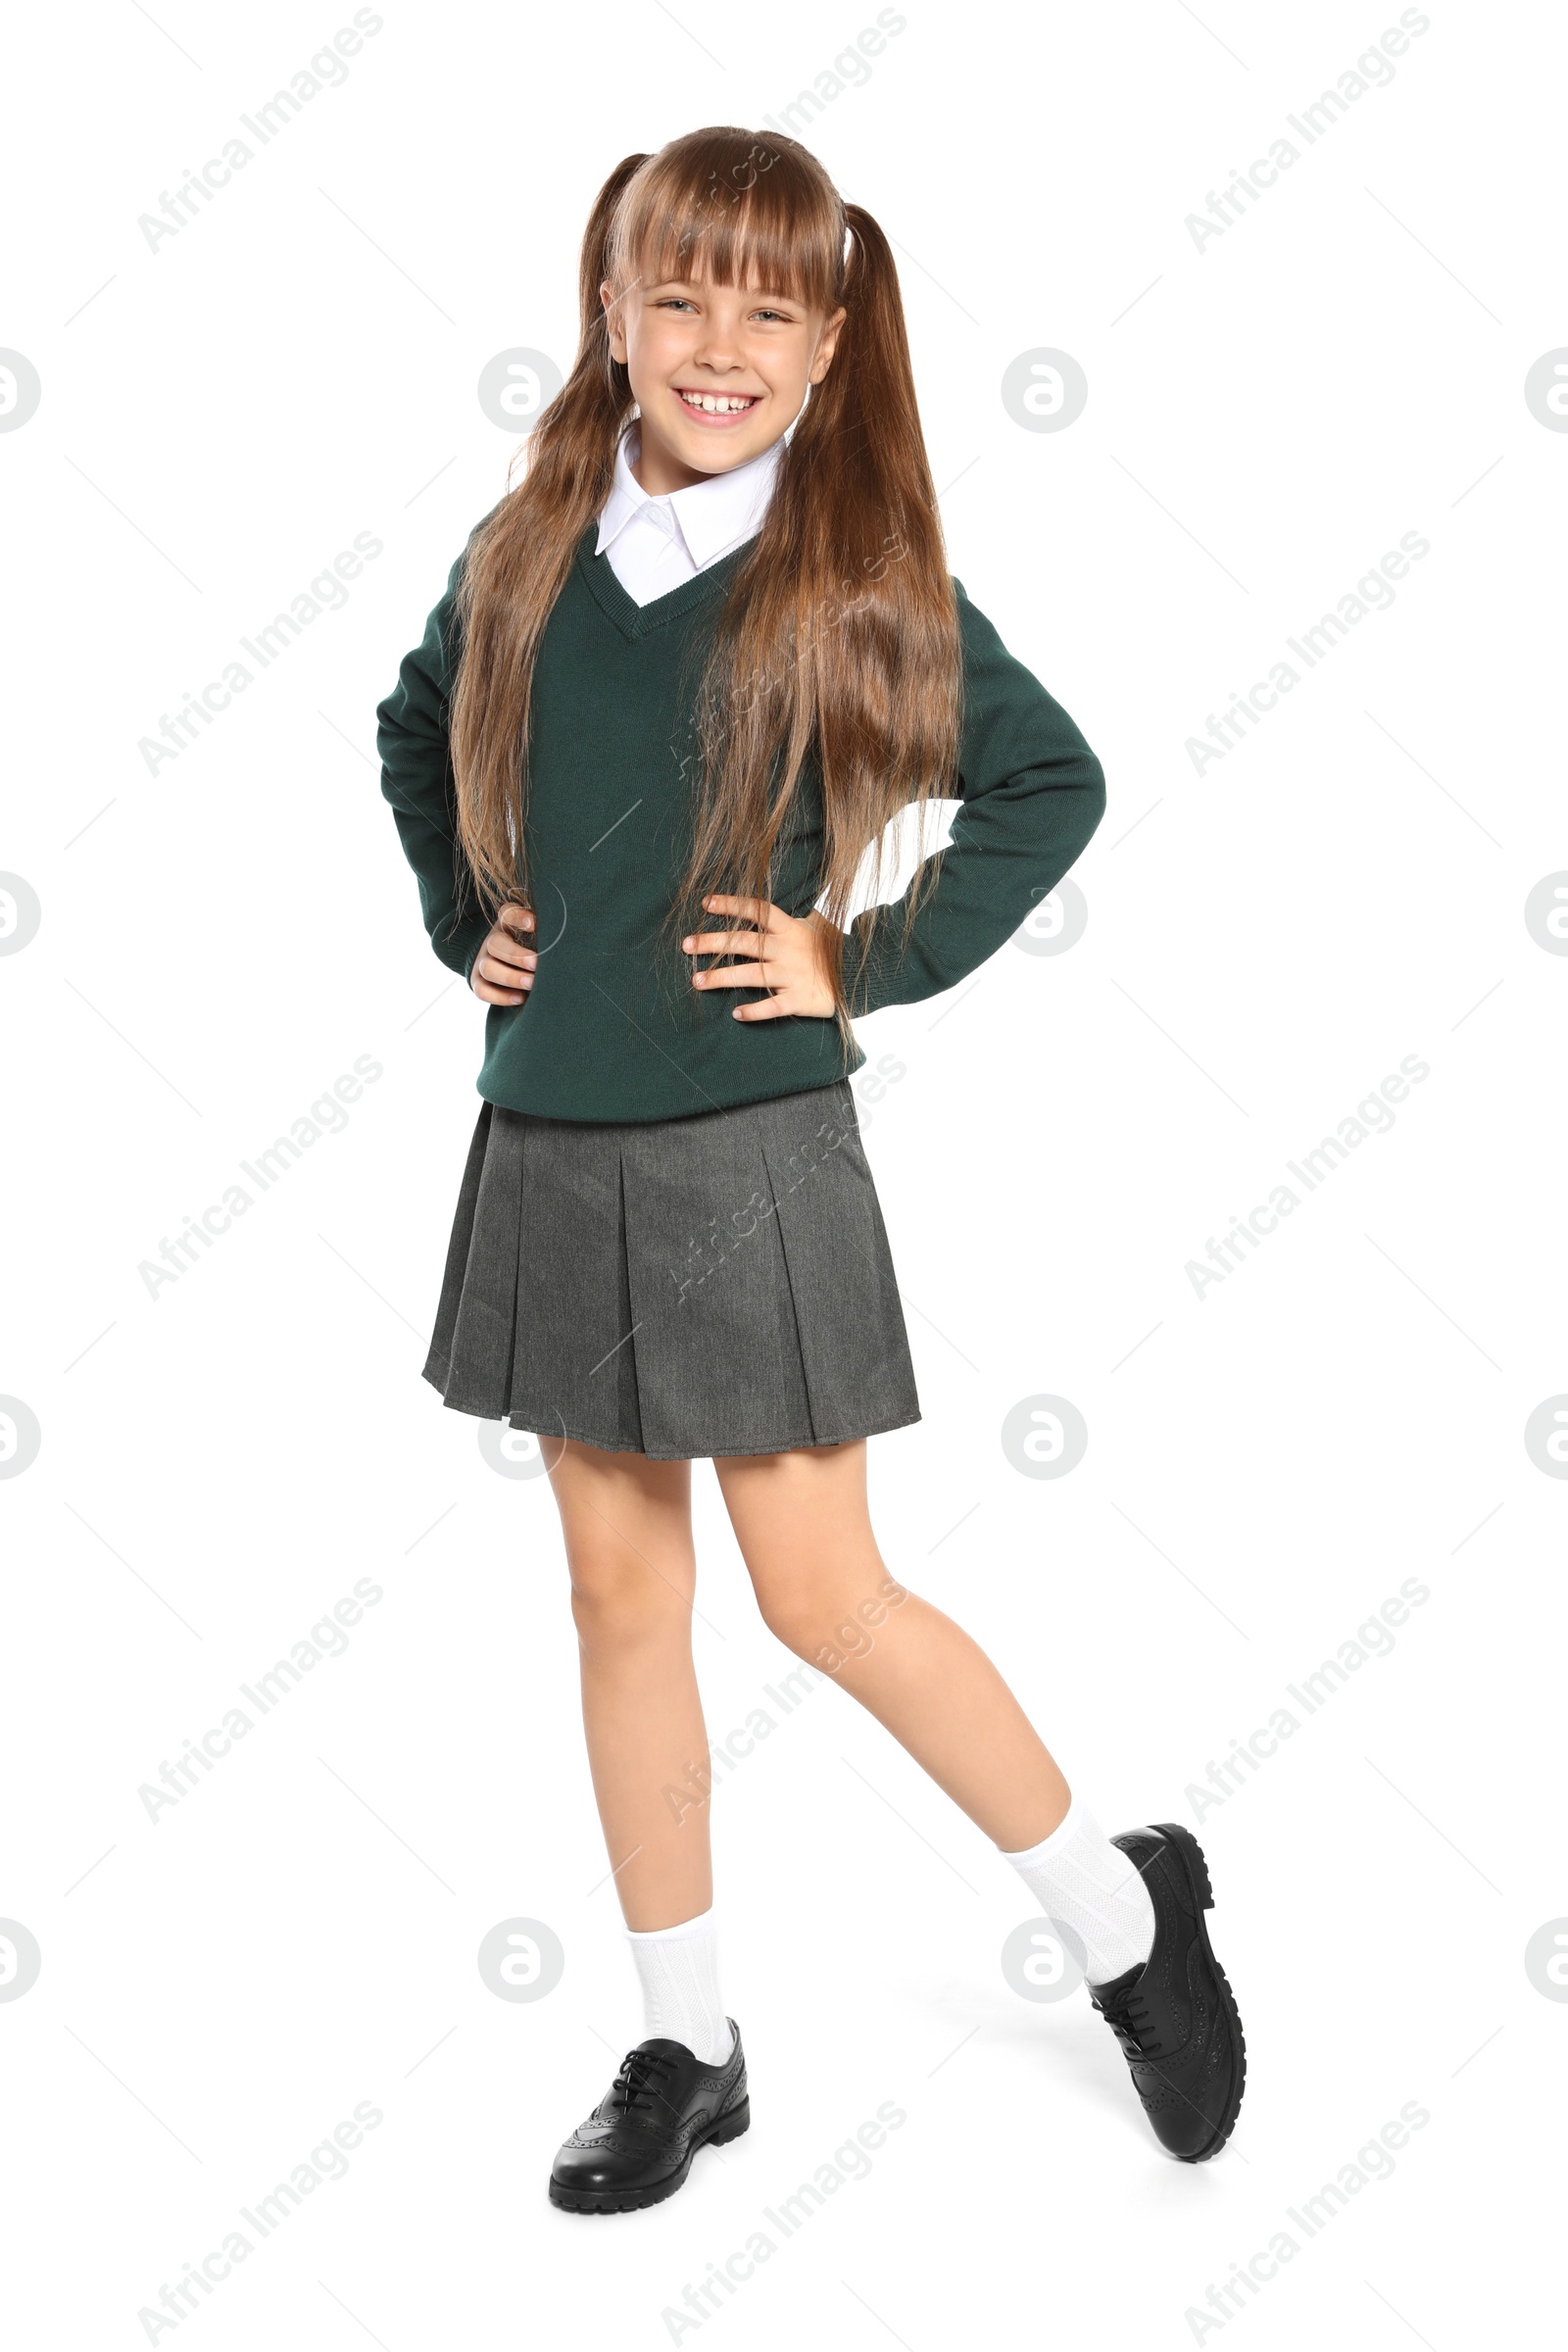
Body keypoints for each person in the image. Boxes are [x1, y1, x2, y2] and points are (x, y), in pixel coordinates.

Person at [376, 124, 1244, 2214]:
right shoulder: (523, 550)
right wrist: (460, 908)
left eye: (767, 306)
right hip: (549, 1125)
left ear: (831, 344)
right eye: (676, 294)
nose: (714, 342)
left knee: (823, 1596)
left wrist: (857, 954)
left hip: (747, 1143)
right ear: (609, 311)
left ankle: (1123, 1919)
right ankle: (688, 2044)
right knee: (612, 1597)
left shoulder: (849, 582)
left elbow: (1052, 779)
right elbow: (414, 726)